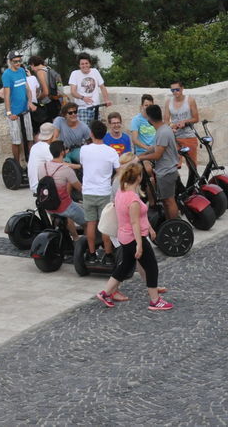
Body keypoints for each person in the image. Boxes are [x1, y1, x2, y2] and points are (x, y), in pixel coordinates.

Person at [97, 162, 173, 311]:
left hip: (123, 236)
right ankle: (155, 300)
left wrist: (148, 228)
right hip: (133, 237)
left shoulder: (121, 192)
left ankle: (106, 293)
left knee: (125, 266)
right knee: (151, 266)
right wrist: (139, 244)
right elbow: (135, 223)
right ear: (138, 177)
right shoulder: (133, 200)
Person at [28, 129, 85, 239]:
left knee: (66, 213)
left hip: (48, 205)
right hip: (63, 206)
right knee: (88, 222)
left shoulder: (42, 167)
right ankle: (83, 245)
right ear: (63, 152)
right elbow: (80, 189)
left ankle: (75, 238)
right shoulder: (66, 169)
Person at [79, 120, 120, 261]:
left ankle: (91, 253)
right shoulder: (111, 151)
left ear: (91, 133)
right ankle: (108, 253)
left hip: (88, 191)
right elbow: (119, 171)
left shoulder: (84, 150)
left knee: (91, 223)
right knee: (105, 225)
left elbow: (83, 165)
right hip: (104, 191)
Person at [132, 104, 181, 221]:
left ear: (150, 118)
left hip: (166, 172)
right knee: (165, 200)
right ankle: (169, 222)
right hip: (164, 172)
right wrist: (140, 155)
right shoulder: (162, 129)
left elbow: (157, 155)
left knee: (169, 201)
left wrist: (140, 159)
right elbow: (154, 147)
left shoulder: (163, 132)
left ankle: (174, 224)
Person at [0, 51, 36, 166]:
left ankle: (31, 163)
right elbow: (6, 95)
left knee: (29, 138)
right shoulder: (7, 74)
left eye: (20, 61)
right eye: (15, 61)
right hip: (14, 113)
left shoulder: (22, 71)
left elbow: (27, 89)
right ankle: (17, 165)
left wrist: (30, 102)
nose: (18, 63)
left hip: (25, 111)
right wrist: (9, 113)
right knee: (16, 141)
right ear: (10, 62)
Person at [166, 80, 200, 172]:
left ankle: (193, 184)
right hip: (175, 137)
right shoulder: (169, 102)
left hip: (188, 136)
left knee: (192, 165)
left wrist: (185, 122)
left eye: (177, 89)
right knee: (174, 165)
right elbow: (165, 121)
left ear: (182, 89)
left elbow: (196, 118)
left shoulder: (190, 100)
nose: (175, 92)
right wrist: (171, 125)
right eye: (172, 90)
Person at [68, 53, 110, 125]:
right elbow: (73, 92)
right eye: (82, 64)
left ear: (90, 64)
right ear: (79, 65)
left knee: (96, 131)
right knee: (84, 132)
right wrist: (83, 98)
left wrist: (106, 100)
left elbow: (102, 87)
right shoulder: (75, 74)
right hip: (82, 108)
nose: (85, 66)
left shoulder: (95, 72)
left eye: (86, 63)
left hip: (95, 107)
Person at [29, 55, 63, 126]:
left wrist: (38, 98)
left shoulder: (40, 72)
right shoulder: (48, 69)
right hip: (56, 100)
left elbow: (46, 92)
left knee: (51, 126)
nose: (32, 69)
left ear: (32, 64)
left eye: (31, 66)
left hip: (48, 103)